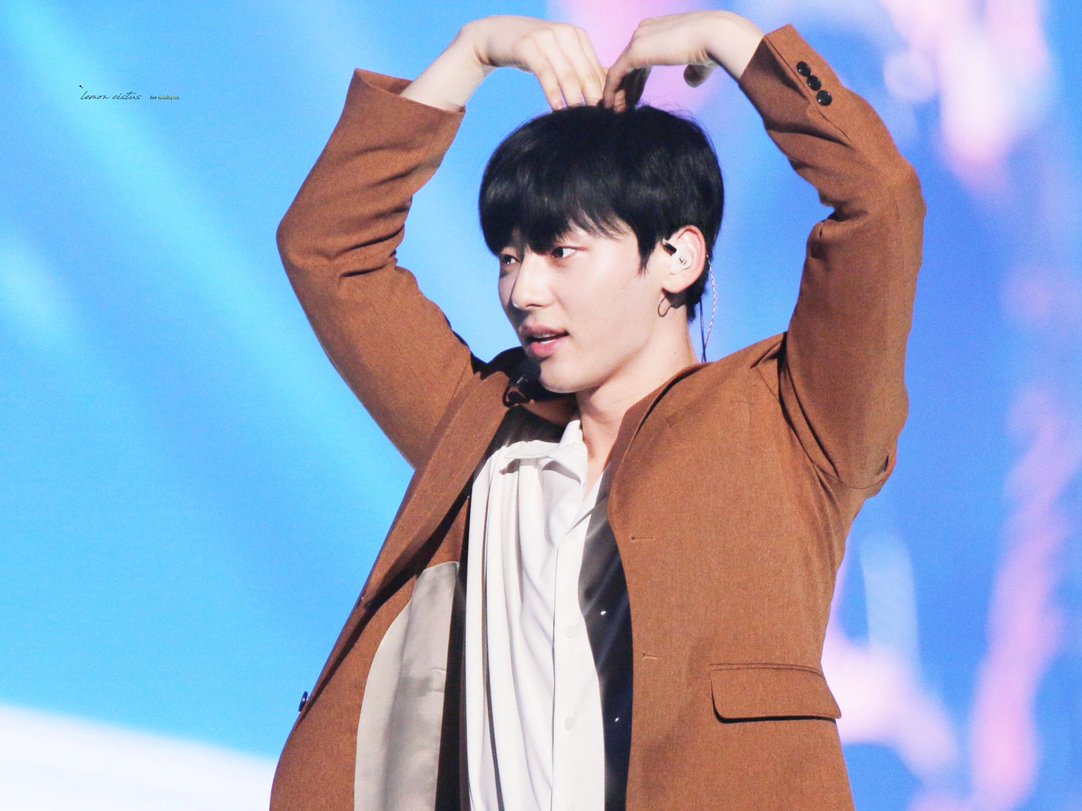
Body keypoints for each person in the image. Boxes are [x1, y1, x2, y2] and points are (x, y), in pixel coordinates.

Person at [271, 10, 924, 810]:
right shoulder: (484, 427)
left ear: (677, 256)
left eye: (560, 252)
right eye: (509, 257)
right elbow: (329, 248)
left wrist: (736, 44)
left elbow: (880, 204)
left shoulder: (794, 421)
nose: (522, 290)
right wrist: (474, 52)